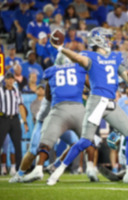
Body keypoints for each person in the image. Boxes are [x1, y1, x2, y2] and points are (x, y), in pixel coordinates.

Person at [48, 27, 128, 185]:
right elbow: (78, 58)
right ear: (99, 39)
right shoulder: (90, 56)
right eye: (107, 37)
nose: (110, 41)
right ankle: (57, 172)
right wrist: (61, 49)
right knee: (85, 141)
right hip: (97, 101)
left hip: (112, 102)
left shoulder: (115, 56)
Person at [21, 53, 89, 182]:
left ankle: (51, 167)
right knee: (40, 147)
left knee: (71, 143)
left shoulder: (52, 75)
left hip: (58, 114)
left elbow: (51, 95)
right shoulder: (67, 77)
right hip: (48, 118)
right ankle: (24, 172)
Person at [0, 73, 28, 174]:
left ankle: (20, 169)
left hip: (15, 119)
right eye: (8, 79)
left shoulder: (17, 91)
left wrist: (25, 122)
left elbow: (21, 107)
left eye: (12, 79)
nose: (10, 81)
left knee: (17, 145)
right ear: (5, 80)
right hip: (3, 119)